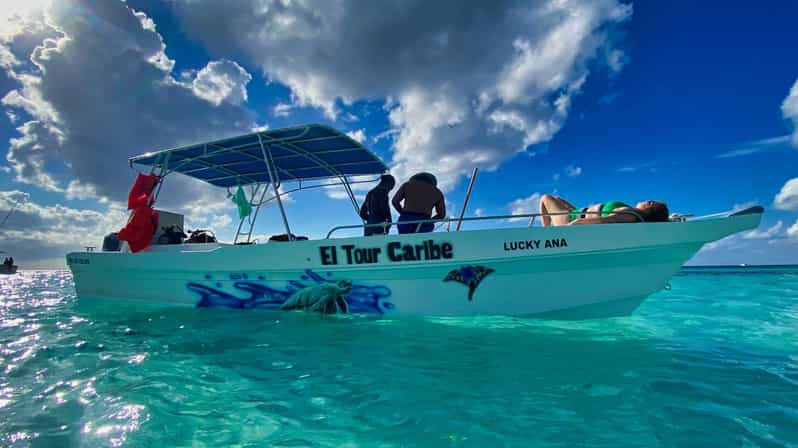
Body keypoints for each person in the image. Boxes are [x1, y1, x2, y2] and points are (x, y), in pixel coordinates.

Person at [538, 194, 669, 227]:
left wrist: (576, 223)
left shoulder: (631, 214)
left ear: (650, 205)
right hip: (577, 213)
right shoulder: (633, 213)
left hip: (570, 219)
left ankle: (546, 230)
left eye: (649, 201)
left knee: (545, 198)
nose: (646, 200)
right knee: (558, 198)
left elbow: (607, 220)